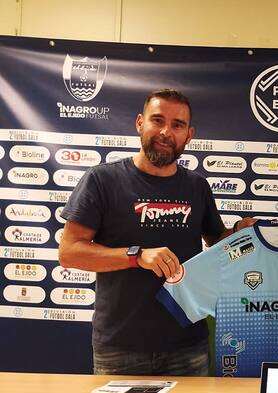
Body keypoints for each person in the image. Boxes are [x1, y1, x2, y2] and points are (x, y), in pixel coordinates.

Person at [58, 89, 254, 376]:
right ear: (140, 122)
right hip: (120, 348)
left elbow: (216, 242)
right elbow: (70, 253)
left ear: (189, 135)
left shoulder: (197, 187)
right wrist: (136, 256)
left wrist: (240, 233)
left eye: (177, 125)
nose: (166, 132)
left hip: (188, 345)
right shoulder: (102, 180)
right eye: (157, 120)